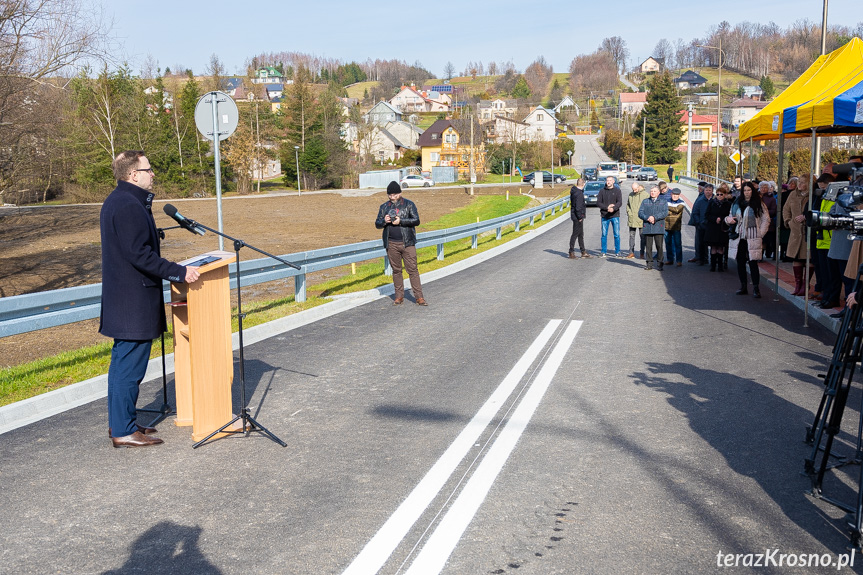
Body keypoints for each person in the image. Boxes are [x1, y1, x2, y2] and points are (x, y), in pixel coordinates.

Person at [100, 150, 200, 448]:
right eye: (148, 169)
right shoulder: (128, 205)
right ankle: (123, 431)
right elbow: (139, 255)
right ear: (133, 175)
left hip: (126, 299)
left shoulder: (120, 200)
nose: (152, 173)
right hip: (133, 302)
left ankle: (122, 422)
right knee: (129, 369)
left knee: (122, 367)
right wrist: (179, 272)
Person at [376, 181, 426, 306]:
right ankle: (399, 297)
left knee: (413, 270)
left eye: (395, 194)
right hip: (391, 244)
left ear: (400, 193)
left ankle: (419, 297)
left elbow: (416, 220)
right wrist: (384, 221)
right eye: (390, 195)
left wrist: (401, 221)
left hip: (407, 243)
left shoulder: (409, 204)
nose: (392, 197)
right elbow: (377, 224)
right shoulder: (384, 207)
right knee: (396, 271)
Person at [726, 181, 770, 297]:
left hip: (753, 236)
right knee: (740, 262)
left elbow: (766, 219)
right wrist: (728, 220)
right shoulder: (737, 202)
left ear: (752, 191)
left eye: (749, 190)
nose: (747, 193)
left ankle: (756, 288)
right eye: (745, 190)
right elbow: (730, 215)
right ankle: (743, 286)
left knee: (753, 263)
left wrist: (761, 233)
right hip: (739, 237)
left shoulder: (759, 203)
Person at [783, 174, 812, 296]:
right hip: (795, 231)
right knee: (796, 258)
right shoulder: (793, 194)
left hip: (808, 231)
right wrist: (788, 221)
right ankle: (798, 284)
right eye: (798, 181)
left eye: (803, 182)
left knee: (808, 257)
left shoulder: (813, 195)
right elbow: (786, 209)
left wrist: (807, 218)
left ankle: (806, 285)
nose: (799, 184)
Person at [638, 185, 668, 270]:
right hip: (648, 227)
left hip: (658, 227)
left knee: (659, 246)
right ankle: (649, 263)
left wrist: (655, 217)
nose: (652, 193)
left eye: (654, 191)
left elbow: (665, 212)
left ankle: (660, 263)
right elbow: (640, 213)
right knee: (648, 247)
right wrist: (647, 218)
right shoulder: (645, 201)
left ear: (658, 193)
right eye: (651, 191)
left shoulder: (663, 201)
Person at [704, 184, 731, 272]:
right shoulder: (711, 203)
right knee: (713, 247)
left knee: (720, 248)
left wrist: (722, 219)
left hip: (722, 228)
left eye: (721, 194)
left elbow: (729, 215)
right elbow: (707, 215)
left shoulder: (728, 204)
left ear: (725, 195)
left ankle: (720, 265)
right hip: (713, 228)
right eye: (718, 194)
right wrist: (715, 219)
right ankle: (712, 266)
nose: (719, 196)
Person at [596, 175, 623, 257]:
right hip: (605, 216)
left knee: (616, 234)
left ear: (613, 181)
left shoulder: (617, 190)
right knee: (604, 234)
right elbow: (598, 203)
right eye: (607, 180)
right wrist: (606, 207)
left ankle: (617, 251)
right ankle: (603, 251)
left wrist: (614, 208)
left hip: (615, 215)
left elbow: (619, 202)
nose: (608, 182)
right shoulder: (602, 191)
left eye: (610, 180)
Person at [568, 178, 591, 259]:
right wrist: (580, 217)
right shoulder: (579, 194)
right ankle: (571, 251)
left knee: (581, 234)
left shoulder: (574, 191)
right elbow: (578, 207)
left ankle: (583, 251)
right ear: (583, 184)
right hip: (577, 216)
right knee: (575, 234)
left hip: (575, 215)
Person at [625, 181, 648, 259]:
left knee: (643, 237)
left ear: (638, 187)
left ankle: (642, 253)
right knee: (631, 236)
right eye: (633, 189)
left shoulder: (645, 195)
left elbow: (648, 207)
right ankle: (631, 252)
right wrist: (629, 212)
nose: (634, 191)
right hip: (632, 218)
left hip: (642, 219)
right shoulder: (630, 195)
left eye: (635, 189)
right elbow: (628, 205)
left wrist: (645, 216)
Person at [688, 182, 709, 264]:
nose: (698, 189)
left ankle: (702, 258)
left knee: (701, 241)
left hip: (701, 223)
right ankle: (699, 256)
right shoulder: (701, 196)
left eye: (699, 187)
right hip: (699, 222)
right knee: (699, 241)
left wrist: (699, 222)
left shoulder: (703, 197)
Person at [664, 188, 686, 266]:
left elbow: (677, 210)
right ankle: (670, 259)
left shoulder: (681, 203)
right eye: (673, 194)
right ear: (671, 194)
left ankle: (679, 260)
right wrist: (670, 211)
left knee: (678, 244)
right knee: (668, 244)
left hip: (676, 227)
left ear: (679, 195)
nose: (674, 196)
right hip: (666, 226)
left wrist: (668, 208)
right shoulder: (667, 201)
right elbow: (664, 212)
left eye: (676, 195)